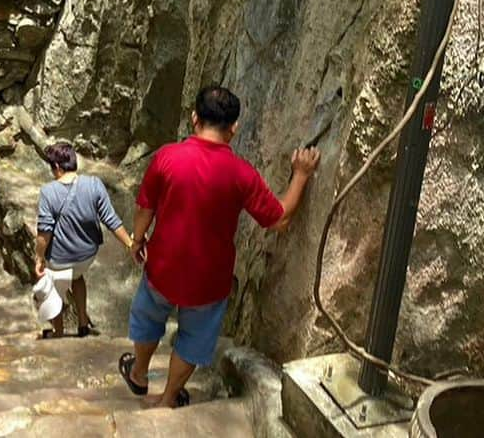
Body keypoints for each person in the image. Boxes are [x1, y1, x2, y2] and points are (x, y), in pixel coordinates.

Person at [118, 85, 321, 408]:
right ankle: (168, 400)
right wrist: (300, 174)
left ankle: (139, 374)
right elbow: (279, 219)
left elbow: (145, 207)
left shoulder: (167, 157)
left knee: (148, 318)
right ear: (234, 128)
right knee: (193, 338)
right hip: (209, 280)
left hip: (163, 266)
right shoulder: (241, 174)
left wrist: (138, 239)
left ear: (194, 117)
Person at [34, 140, 134, 338]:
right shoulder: (94, 184)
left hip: (60, 259)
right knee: (77, 277)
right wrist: (130, 244)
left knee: (53, 286)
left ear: (56, 167)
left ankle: (58, 331)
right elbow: (111, 220)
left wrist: (39, 258)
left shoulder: (48, 192)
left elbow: (44, 234)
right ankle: (82, 325)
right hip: (86, 256)